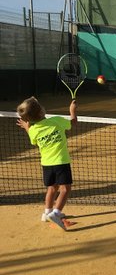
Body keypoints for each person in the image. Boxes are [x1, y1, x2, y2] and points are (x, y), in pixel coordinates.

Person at [16, 97, 77, 231]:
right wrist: (72, 111)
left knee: (51, 188)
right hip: (61, 162)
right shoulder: (56, 121)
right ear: (41, 112)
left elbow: (34, 141)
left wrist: (27, 127)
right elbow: (73, 123)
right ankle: (55, 213)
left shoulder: (33, 130)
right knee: (65, 189)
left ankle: (47, 213)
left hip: (47, 164)